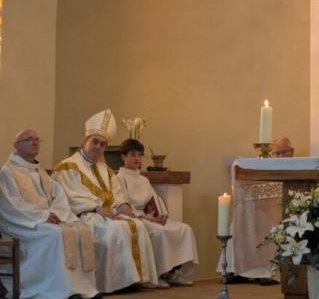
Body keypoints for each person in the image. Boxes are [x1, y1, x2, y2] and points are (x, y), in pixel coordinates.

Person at [52, 109, 160, 293]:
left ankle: (133, 280)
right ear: (85, 141)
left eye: (103, 144)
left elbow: (118, 196)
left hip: (109, 214)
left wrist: (129, 211)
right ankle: (112, 284)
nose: (98, 147)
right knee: (115, 229)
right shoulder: (67, 166)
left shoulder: (107, 170)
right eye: (95, 142)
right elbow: (71, 197)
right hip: (85, 216)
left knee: (136, 225)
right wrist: (97, 209)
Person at [0, 129, 100, 299]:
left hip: (43, 220)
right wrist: (42, 216)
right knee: (55, 234)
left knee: (80, 230)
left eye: (37, 139)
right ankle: (56, 289)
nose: (35, 142)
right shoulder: (7, 172)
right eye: (29, 139)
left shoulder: (39, 171)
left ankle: (82, 288)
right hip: (22, 224)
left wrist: (55, 214)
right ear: (17, 145)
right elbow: (11, 205)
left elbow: (58, 196)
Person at [115, 138, 198, 287]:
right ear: (123, 157)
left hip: (149, 217)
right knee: (159, 232)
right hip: (134, 217)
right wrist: (144, 217)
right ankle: (157, 274)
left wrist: (160, 215)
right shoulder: (118, 178)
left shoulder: (143, 179)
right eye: (132, 154)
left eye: (139, 155)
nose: (137, 158)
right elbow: (122, 205)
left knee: (183, 228)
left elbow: (154, 200)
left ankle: (173, 272)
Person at [222, 136, 295, 285]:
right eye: (277, 153)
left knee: (270, 225)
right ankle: (241, 270)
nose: (280, 156)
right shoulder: (264, 168)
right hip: (259, 212)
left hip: (282, 213)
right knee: (239, 225)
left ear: (292, 152)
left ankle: (269, 269)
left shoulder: (296, 167)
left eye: (284, 152)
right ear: (271, 154)